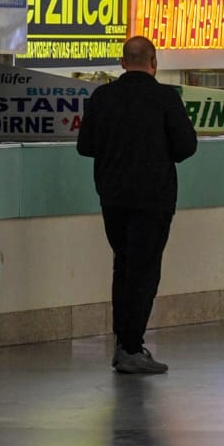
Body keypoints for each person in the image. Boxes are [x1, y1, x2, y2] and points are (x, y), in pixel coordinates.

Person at [76, 37, 198, 375]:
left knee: (123, 264)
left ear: (122, 61)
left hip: (112, 196)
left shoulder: (103, 98)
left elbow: (85, 146)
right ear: (153, 62)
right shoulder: (165, 98)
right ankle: (131, 346)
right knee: (144, 270)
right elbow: (186, 147)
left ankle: (123, 343)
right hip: (154, 198)